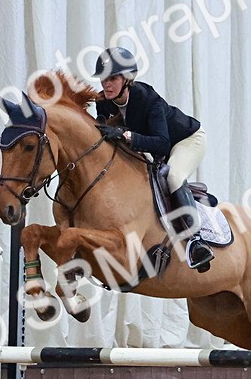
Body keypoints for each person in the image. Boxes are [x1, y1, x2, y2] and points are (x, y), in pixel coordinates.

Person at [92, 47, 214, 272]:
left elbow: (162, 143)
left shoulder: (148, 100)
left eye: (113, 78)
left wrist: (126, 135)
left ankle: (197, 241)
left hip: (187, 140)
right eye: (103, 78)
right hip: (155, 147)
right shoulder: (103, 102)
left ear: (127, 79)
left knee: (174, 175)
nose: (106, 84)